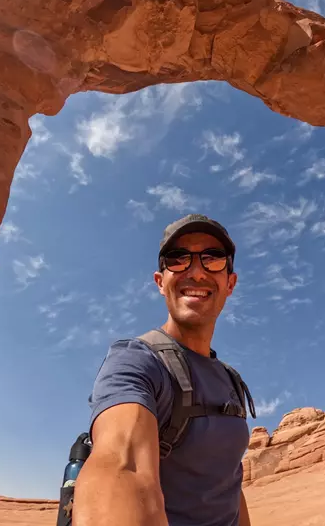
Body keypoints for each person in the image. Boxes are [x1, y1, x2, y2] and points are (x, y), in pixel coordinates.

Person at [74, 214, 253, 526]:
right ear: (161, 281)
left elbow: (229, 479)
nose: (196, 272)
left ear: (230, 283)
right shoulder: (136, 361)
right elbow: (121, 465)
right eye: (178, 259)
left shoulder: (229, 379)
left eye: (212, 259)